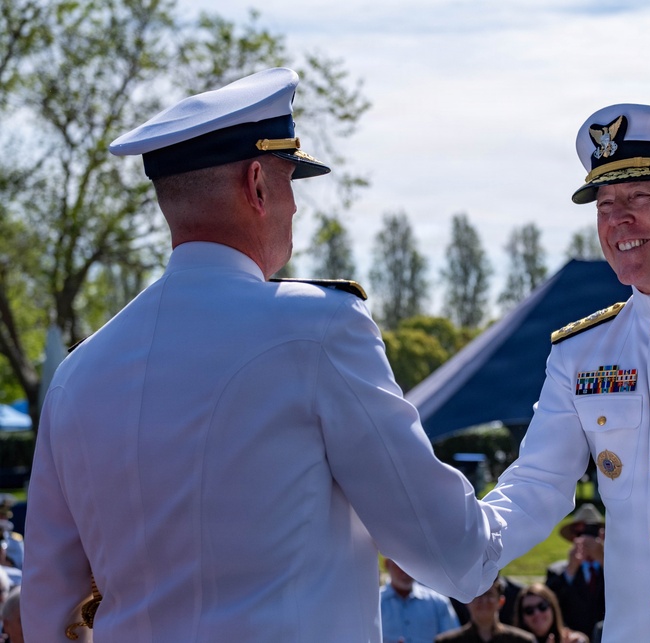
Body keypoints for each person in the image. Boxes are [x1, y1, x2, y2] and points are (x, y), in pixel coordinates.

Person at [22, 68, 503, 642]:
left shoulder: (77, 374)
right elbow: (454, 552)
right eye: (290, 181)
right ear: (256, 185)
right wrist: (543, 476)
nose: (295, 207)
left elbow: (49, 605)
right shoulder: (318, 328)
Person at [481, 103, 650, 640]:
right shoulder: (580, 352)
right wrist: (457, 539)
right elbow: (538, 482)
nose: (617, 219)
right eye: (605, 203)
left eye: (640, 197)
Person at [544, 504, 605, 637]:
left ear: (602, 536)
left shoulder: (614, 570)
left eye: (592, 532)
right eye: (580, 534)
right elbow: (549, 604)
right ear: (573, 538)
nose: (586, 539)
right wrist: (570, 571)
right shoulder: (557, 571)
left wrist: (604, 561)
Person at [381, 558, 460, 643]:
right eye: (398, 565)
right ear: (387, 564)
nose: (405, 571)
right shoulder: (375, 605)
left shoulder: (438, 602)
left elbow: (453, 639)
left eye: (410, 566)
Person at [435, 577, 534, 643]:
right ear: (466, 601)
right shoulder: (446, 641)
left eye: (489, 594)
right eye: (478, 595)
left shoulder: (523, 641)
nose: (483, 600)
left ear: (501, 601)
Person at [513, 583, 588, 643]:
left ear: (553, 608)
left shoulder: (573, 640)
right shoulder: (511, 640)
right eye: (529, 610)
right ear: (522, 617)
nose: (537, 613)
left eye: (542, 606)